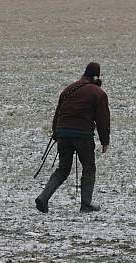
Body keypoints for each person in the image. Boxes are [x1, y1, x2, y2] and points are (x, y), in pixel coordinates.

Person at [35, 62, 111, 213]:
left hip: (63, 133)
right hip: (82, 135)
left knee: (63, 169)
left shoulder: (68, 90)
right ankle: (86, 204)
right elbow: (103, 119)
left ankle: (43, 198)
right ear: (97, 76)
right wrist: (105, 141)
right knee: (89, 167)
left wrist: (56, 133)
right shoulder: (98, 93)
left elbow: (58, 113)